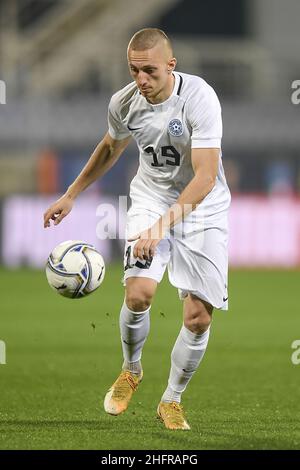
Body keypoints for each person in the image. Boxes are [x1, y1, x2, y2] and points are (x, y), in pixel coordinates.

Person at [44, 28, 231, 431]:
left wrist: (161, 229)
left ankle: (171, 400)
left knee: (198, 318)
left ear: (171, 65)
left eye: (149, 71)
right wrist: (71, 194)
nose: (141, 80)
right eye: (134, 71)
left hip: (203, 207)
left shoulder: (199, 98)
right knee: (140, 293)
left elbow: (205, 177)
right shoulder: (125, 102)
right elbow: (111, 147)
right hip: (150, 199)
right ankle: (131, 370)